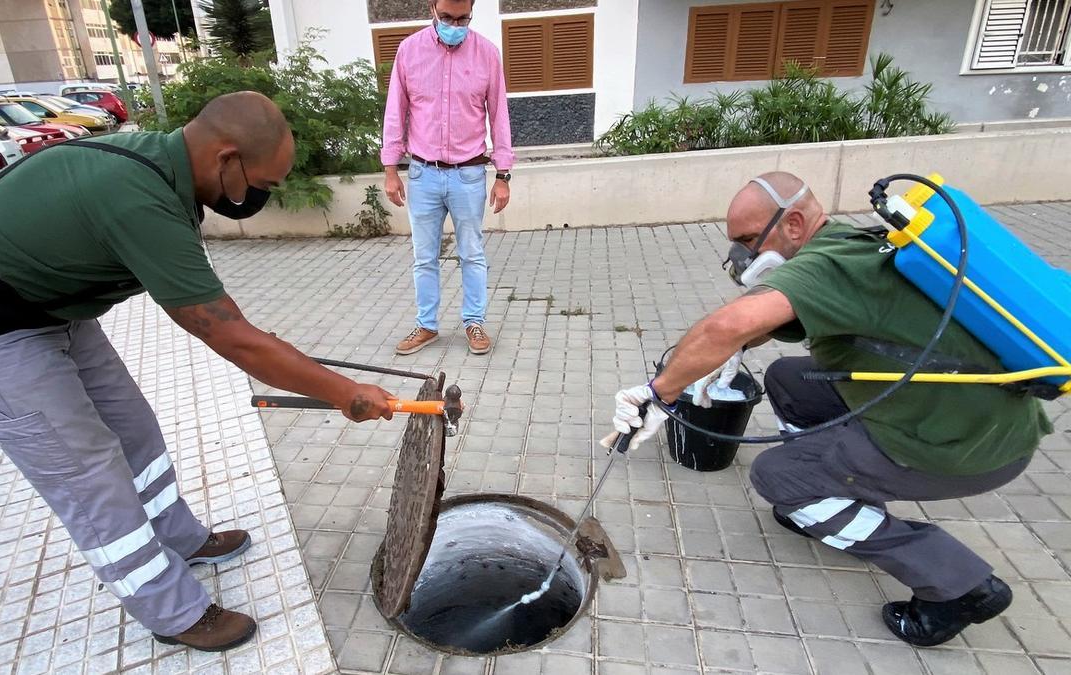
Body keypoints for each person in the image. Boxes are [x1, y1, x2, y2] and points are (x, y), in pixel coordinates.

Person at [0, 92, 396, 652]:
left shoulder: (165, 170)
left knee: (132, 427)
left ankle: (178, 537)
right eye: (266, 183)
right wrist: (345, 393)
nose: (265, 195)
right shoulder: (139, 198)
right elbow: (232, 337)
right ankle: (171, 611)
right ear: (226, 159)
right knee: (86, 470)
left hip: (44, 304)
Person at [605, 171, 1051, 647]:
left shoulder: (826, 267)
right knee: (788, 379)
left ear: (794, 223)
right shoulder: (849, 244)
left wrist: (661, 392)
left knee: (776, 477)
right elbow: (766, 322)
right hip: (972, 416)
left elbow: (728, 324)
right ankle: (832, 492)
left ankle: (958, 585)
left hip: (961, 447)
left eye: (749, 239)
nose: (743, 255)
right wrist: (724, 352)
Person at [382, 0, 515, 356]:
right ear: (432, 10)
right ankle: (426, 325)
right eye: (447, 18)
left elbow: (499, 114)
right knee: (423, 257)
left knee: (471, 253)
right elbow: (395, 109)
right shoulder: (409, 51)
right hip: (423, 174)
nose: (454, 25)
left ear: (471, 12)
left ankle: (474, 322)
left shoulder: (486, 53)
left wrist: (503, 174)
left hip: (469, 174)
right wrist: (390, 168)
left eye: (462, 18)